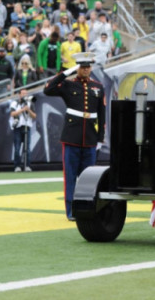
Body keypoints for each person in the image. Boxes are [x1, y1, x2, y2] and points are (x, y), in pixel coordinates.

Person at [43, 53, 105, 221]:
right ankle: (71, 210)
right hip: (72, 136)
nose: (85, 70)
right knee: (70, 176)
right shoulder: (68, 85)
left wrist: (100, 139)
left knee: (90, 178)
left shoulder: (98, 87)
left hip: (90, 138)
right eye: (82, 67)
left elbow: (102, 114)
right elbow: (47, 89)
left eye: (88, 67)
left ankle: (89, 208)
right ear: (77, 68)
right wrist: (65, 73)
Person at [10, 88, 37, 172]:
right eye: (23, 93)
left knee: (27, 148)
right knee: (17, 148)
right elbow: (12, 114)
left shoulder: (30, 103)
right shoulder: (15, 103)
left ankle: (27, 165)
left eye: (26, 93)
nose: (25, 95)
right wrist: (22, 110)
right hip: (18, 127)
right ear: (19, 95)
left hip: (27, 126)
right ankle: (17, 166)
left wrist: (28, 110)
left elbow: (34, 116)